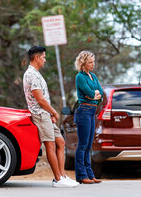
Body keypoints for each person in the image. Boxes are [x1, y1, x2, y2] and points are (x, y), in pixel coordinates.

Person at [23, 46, 78, 188]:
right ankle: (58, 179)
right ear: (37, 58)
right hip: (40, 114)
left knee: (61, 142)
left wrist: (50, 113)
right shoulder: (32, 75)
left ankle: (63, 176)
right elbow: (40, 100)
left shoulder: (36, 73)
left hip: (45, 114)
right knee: (50, 145)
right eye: (43, 57)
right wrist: (53, 112)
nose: (45, 60)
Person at [74, 51, 103, 184]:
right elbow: (90, 93)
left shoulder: (93, 76)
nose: (93, 64)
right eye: (90, 62)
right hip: (84, 110)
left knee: (89, 145)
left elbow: (100, 93)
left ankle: (90, 174)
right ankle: (81, 175)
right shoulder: (80, 77)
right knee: (83, 145)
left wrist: (95, 95)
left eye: (93, 61)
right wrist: (93, 94)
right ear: (83, 63)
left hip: (92, 111)